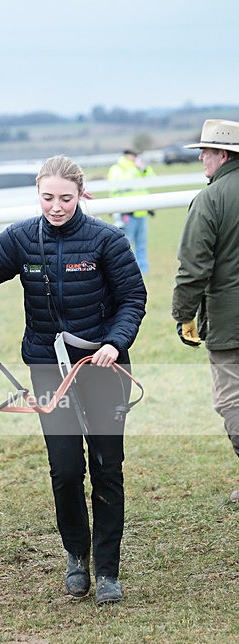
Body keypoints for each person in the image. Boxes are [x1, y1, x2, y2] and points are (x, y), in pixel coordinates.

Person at [0, 155, 147, 604]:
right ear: (38, 193)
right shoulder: (20, 239)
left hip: (104, 368)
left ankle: (107, 570)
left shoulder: (107, 240)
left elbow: (133, 298)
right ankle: (77, 556)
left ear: (82, 194)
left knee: (107, 467)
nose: (56, 206)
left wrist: (114, 341)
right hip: (47, 368)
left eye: (66, 198)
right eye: (48, 197)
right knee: (66, 468)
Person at [172, 119, 239, 503]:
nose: (201, 157)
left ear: (223, 154)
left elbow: (193, 268)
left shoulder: (210, 200)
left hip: (230, 323)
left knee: (231, 401)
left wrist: (184, 314)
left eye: (207, 151)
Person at [107, 148, 155, 274]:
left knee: (141, 244)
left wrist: (143, 169)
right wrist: (136, 169)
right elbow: (124, 183)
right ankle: (127, 270)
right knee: (125, 244)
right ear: (128, 156)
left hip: (141, 212)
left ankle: (143, 270)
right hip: (126, 212)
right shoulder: (117, 169)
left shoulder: (138, 168)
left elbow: (152, 178)